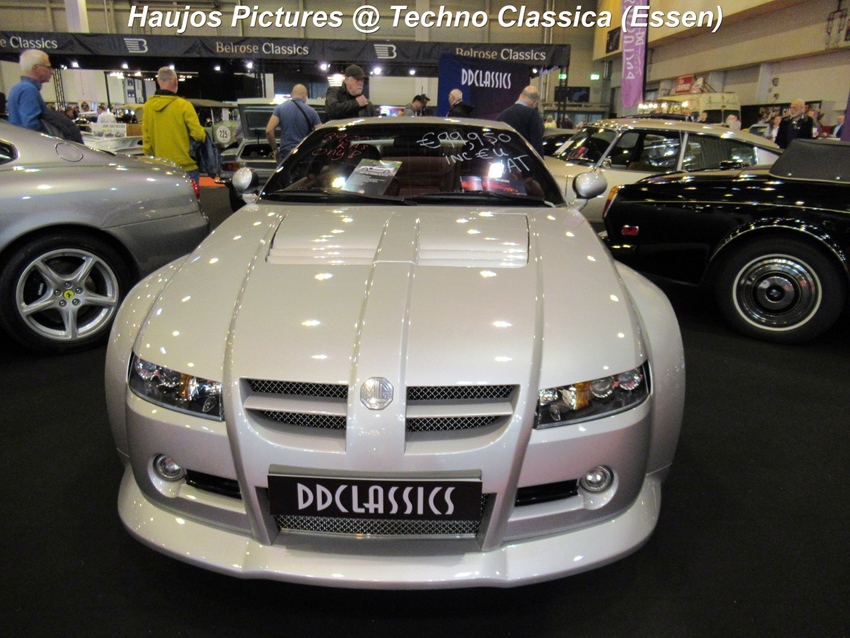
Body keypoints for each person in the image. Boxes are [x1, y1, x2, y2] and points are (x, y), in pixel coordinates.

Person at [142, 66, 207, 187]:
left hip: (161, 167)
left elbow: (147, 143)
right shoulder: (184, 106)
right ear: (176, 81)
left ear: (158, 81)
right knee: (190, 198)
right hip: (186, 167)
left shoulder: (147, 107)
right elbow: (199, 135)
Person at [265, 84, 321, 162]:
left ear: (291, 94)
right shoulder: (312, 112)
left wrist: (275, 150)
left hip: (285, 156)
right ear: (305, 95)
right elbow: (320, 134)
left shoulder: (280, 108)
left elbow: (269, 131)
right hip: (304, 155)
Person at [7, 49, 53, 131]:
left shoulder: (18, 87)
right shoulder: (29, 90)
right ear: (36, 68)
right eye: (48, 67)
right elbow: (31, 126)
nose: (52, 72)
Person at [496, 85, 544, 156]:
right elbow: (537, 145)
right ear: (534, 103)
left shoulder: (502, 115)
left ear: (520, 96)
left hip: (505, 158)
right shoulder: (532, 115)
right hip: (524, 160)